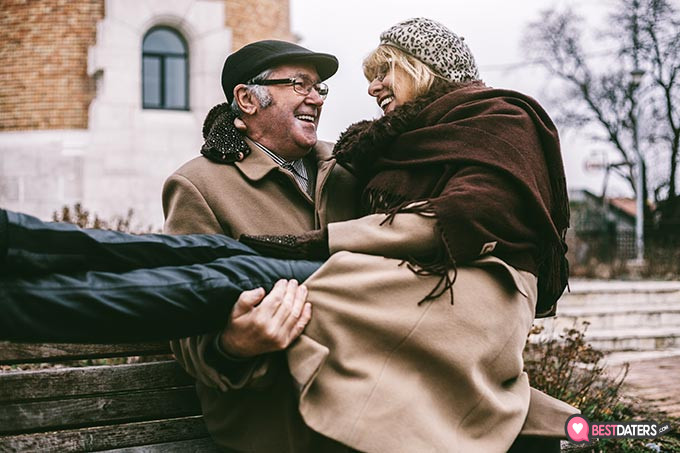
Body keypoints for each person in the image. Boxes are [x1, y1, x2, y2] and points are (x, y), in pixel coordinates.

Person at [0, 25, 577, 451]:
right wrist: (234, 345)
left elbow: (439, 216)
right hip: (283, 405)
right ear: (247, 101)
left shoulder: (353, 168)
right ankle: (20, 246)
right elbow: (188, 326)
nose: (320, 96)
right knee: (221, 269)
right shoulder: (199, 185)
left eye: (322, 86)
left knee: (233, 265)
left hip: (371, 375)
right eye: (299, 83)